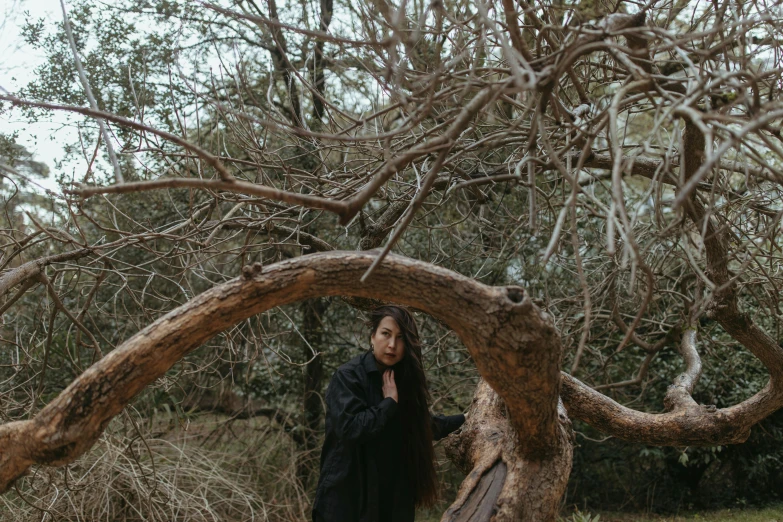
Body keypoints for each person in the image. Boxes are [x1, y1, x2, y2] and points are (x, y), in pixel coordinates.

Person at [312, 305, 466, 522]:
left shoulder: (403, 379)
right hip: (347, 502)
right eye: (386, 334)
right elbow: (350, 429)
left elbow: (417, 426)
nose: (392, 344)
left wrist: (465, 419)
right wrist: (388, 403)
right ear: (372, 336)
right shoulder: (348, 377)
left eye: (401, 337)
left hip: (390, 502)